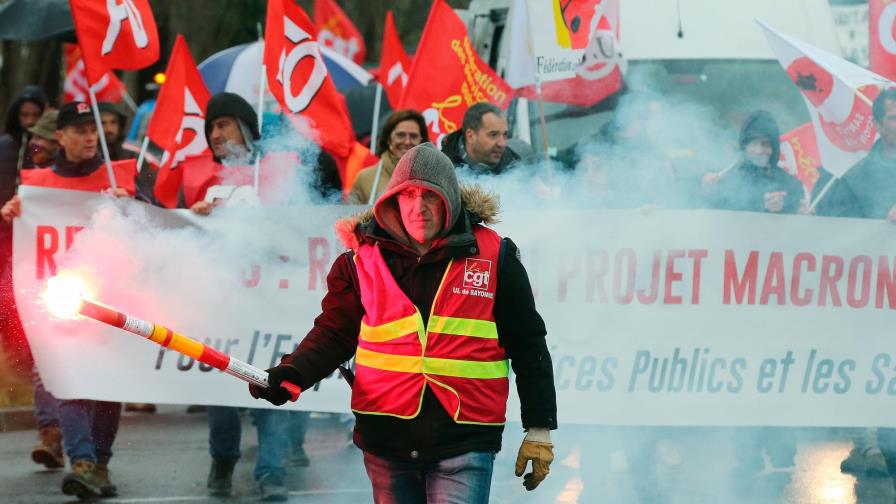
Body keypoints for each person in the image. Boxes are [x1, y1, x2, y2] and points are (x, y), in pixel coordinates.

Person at [250, 143, 558, 502]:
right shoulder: (357, 262)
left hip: (465, 438)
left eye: (430, 195)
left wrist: (539, 428)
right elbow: (334, 334)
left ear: (450, 200)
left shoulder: (495, 256)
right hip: (386, 439)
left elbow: (529, 344)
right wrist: (292, 373)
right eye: (407, 195)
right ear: (391, 200)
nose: (418, 207)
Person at [173, 92, 309, 501]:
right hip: (223, 306)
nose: (215, 134)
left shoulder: (282, 175)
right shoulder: (197, 179)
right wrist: (191, 217)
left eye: (224, 124)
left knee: (275, 382)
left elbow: (301, 229)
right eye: (211, 128)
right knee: (222, 393)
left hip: (272, 304)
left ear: (246, 128)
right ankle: (223, 458)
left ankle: (272, 471)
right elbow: (174, 234)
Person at [1, 101, 136, 499]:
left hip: (113, 300)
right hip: (59, 303)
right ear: (60, 138)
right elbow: (20, 236)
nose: (90, 136)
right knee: (68, 378)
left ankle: (101, 462)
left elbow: (158, 222)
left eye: (92, 129)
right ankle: (81, 461)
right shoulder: (36, 183)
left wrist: (134, 202)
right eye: (79, 130)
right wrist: (10, 213)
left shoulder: (120, 174)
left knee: (108, 386)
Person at [813, 88, 896, 477]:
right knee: (869, 364)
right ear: (878, 125)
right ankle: (868, 444)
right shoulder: (857, 176)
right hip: (874, 296)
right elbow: (835, 232)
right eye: (894, 118)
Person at [702, 110, 803, 213]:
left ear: (774, 149)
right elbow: (711, 216)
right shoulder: (725, 179)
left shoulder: (790, 184)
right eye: (754, 143)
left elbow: (797, 220)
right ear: (744, 146)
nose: (759, 151)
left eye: (766, 144)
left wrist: (788, 209)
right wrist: (707, 191)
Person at [348, 109, 428, 205]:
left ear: (422, 142)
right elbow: (350, 218)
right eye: (400, 135)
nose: (407, 142)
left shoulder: (431, 178)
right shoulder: (365, 178)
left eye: (414, 136)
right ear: (388, 139)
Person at [441, 102, 520, 174]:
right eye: (493, 135)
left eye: (505, 134)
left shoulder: (513, 165)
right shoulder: (442, 168)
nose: (502, 144)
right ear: (470, 136)